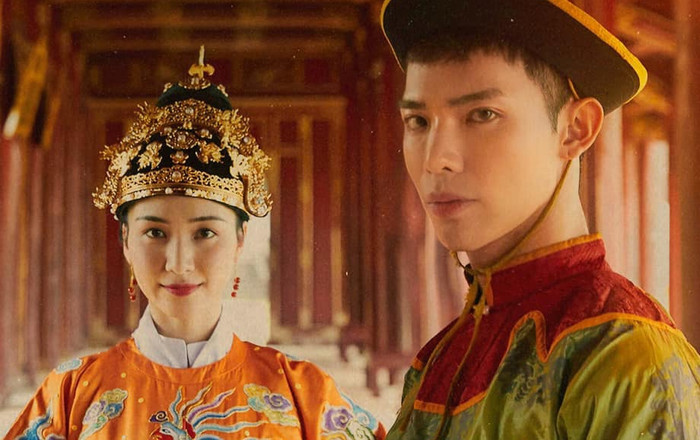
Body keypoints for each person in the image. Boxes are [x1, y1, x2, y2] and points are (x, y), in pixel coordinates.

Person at [6, 50, 385, 440]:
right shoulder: (70, 397)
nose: (179, 262)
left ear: (240, 239)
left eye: (204, 233)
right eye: (155, 233)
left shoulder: (305, 395)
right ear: (126, 241)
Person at [380, 0, 700, 438]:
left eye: (482, 115)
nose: (436, 159)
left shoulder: (623, 353)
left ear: (575, 129)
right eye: (418, 121)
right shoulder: (438, 358)